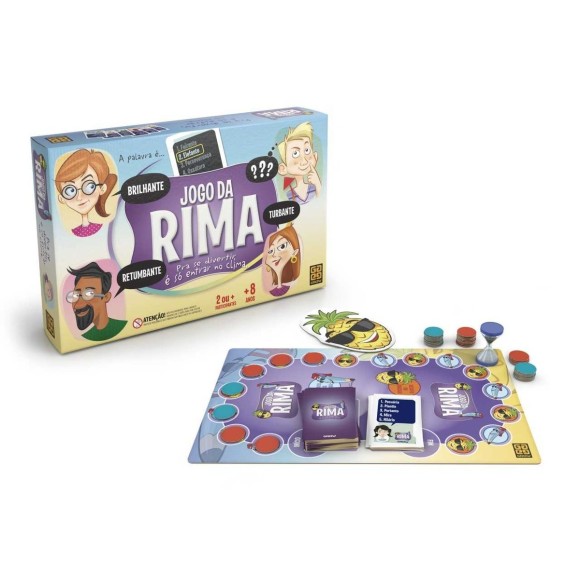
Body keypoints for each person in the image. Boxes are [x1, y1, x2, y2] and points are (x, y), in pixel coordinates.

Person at [55, 149, 118, 237]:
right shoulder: (68, 233)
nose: (79, 197)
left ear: (102, 188)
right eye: (70, 191)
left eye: (89, 186)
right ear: (61, 198)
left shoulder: (106, 228)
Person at [66, 262, 127, 341]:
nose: (78, 304)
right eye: (76, 295)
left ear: (106, 297)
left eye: (88, 294)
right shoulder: (87, 336)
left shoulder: (121, 327)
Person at [277, 122, 322, 204]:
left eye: (307, 150)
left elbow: (320, 201)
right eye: (295, 153)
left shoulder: (314, 187)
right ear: (283, 168)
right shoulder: (289, 195)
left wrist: (317, 183)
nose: (304, 160)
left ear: (315, 157)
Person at [263, 225, 301, 296]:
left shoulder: (293, 285)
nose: (274, 255)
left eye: (282, 246)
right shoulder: (270, 290)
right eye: (271, 251)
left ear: (294, 252)